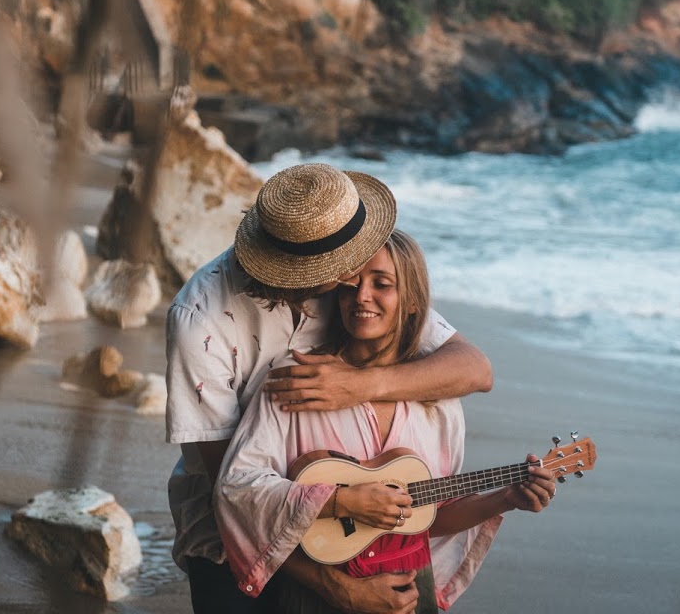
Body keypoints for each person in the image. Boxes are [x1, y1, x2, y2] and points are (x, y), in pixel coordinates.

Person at [166, 164, 494, 613]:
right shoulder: (200, 319)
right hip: (233, 535)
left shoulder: (349, 270)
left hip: (360, 529)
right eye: (344, 272)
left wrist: (360, 386)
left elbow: (474, 368)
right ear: (298, 270)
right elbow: (231, 494)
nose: (356, 280)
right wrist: (334, 585)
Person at [214, 231, 558, 612]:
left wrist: (505, 498)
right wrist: (338, 501)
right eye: (350, 285)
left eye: (382, 284)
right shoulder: (298, 378)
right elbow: (237, 488)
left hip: (409, 592)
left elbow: (426, 518)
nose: (362, 296)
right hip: (318, 590)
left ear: (413, 302)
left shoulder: (437, 399)